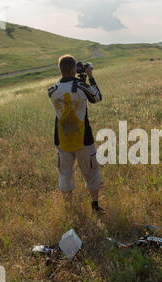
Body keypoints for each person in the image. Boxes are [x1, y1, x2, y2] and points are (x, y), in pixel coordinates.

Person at [47, 54, 104, 213]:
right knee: (91, 171)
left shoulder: (52, 90)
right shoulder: (81, 86)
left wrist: (74, 77)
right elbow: (97, 98)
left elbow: (64, 87)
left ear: (60, 69)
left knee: (65, 173)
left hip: (62, 138)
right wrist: (90, 77)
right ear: (74, 69)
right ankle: (95, 205)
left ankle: (69, 208)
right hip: (83, 138)